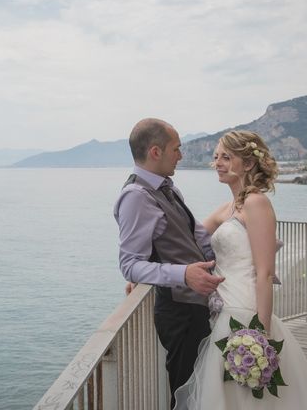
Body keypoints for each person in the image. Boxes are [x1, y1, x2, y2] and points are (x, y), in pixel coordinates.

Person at [173, 130, 307, 409]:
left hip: (246, 315)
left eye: (226, 157)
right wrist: (147, 272)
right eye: (215, 157)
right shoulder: (228, 208)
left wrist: (262, 334)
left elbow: (265, 272)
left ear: (247, 163)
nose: (217, 163)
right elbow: (185, 239)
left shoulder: (257, 203)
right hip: (221, 311)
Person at [114, 118, 224, 407]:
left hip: (197, 303)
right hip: (179, 312)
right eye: (176, 149)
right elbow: (129, 264)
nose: (181, 155)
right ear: (155, 152)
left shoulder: (167, 188)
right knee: (185, 393)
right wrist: (184, 275)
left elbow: (195, 233)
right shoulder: (135, 197)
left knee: (202, 389)